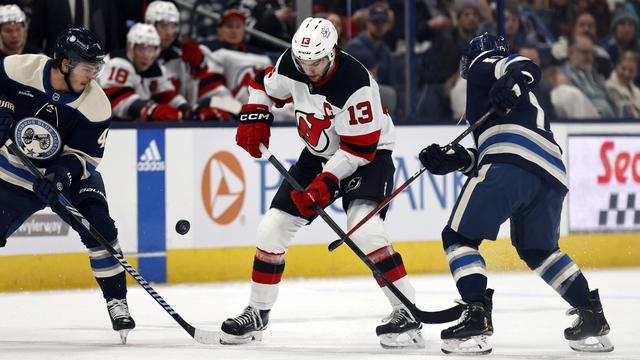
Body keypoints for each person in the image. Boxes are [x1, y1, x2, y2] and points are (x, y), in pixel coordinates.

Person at [222, 17, 424, 349]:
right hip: (320, 153)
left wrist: (327, 182)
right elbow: (261, 84)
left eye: (315, 60)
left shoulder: (356, 83)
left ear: (332, 52)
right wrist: (255, 112)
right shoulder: (293, 63)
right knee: (271, 229)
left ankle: (407, 310)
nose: (308, 67)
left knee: (364, 229)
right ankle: (257, 313)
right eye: (303, 60)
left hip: (368, 155)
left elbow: (358, 150)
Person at [418, 33, 613, 354]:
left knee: (458, 238)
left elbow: (525, 65)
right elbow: (486, 155)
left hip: (510, 161)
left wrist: (513, 79)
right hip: (551, 172)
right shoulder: (514, 100)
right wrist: (455, 160)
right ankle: (591, 315)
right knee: (539, 251)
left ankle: (476, 312)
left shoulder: (484, 64)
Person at [0, 28, 135, 343]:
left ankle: (117, 300)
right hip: (15, 172)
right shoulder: (19, 69)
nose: (94, 75)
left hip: (67, 177)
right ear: (64, 62)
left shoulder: (96, 103)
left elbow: (84, 157)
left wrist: (60, 176)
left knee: (100, 227)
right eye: (88, 67)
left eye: (96, 67)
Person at [144, 1, 233, 121]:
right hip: (142, 122)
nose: (170, 32)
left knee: (232, 107)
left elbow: (209, 94)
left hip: (181, 121)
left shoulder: (184, 56)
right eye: (164, 26)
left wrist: (197, 69)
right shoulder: (134, 56)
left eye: (173, 25)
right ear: (150, 24)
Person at [98, 23, 190, 122]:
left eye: (151, 49)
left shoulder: (154, 68)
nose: (146, 55)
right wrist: (151, 110)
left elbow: (166, 95)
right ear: (131, 47)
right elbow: (119, 102)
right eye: (142, 49)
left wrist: (186, 109)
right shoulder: (117, 63)